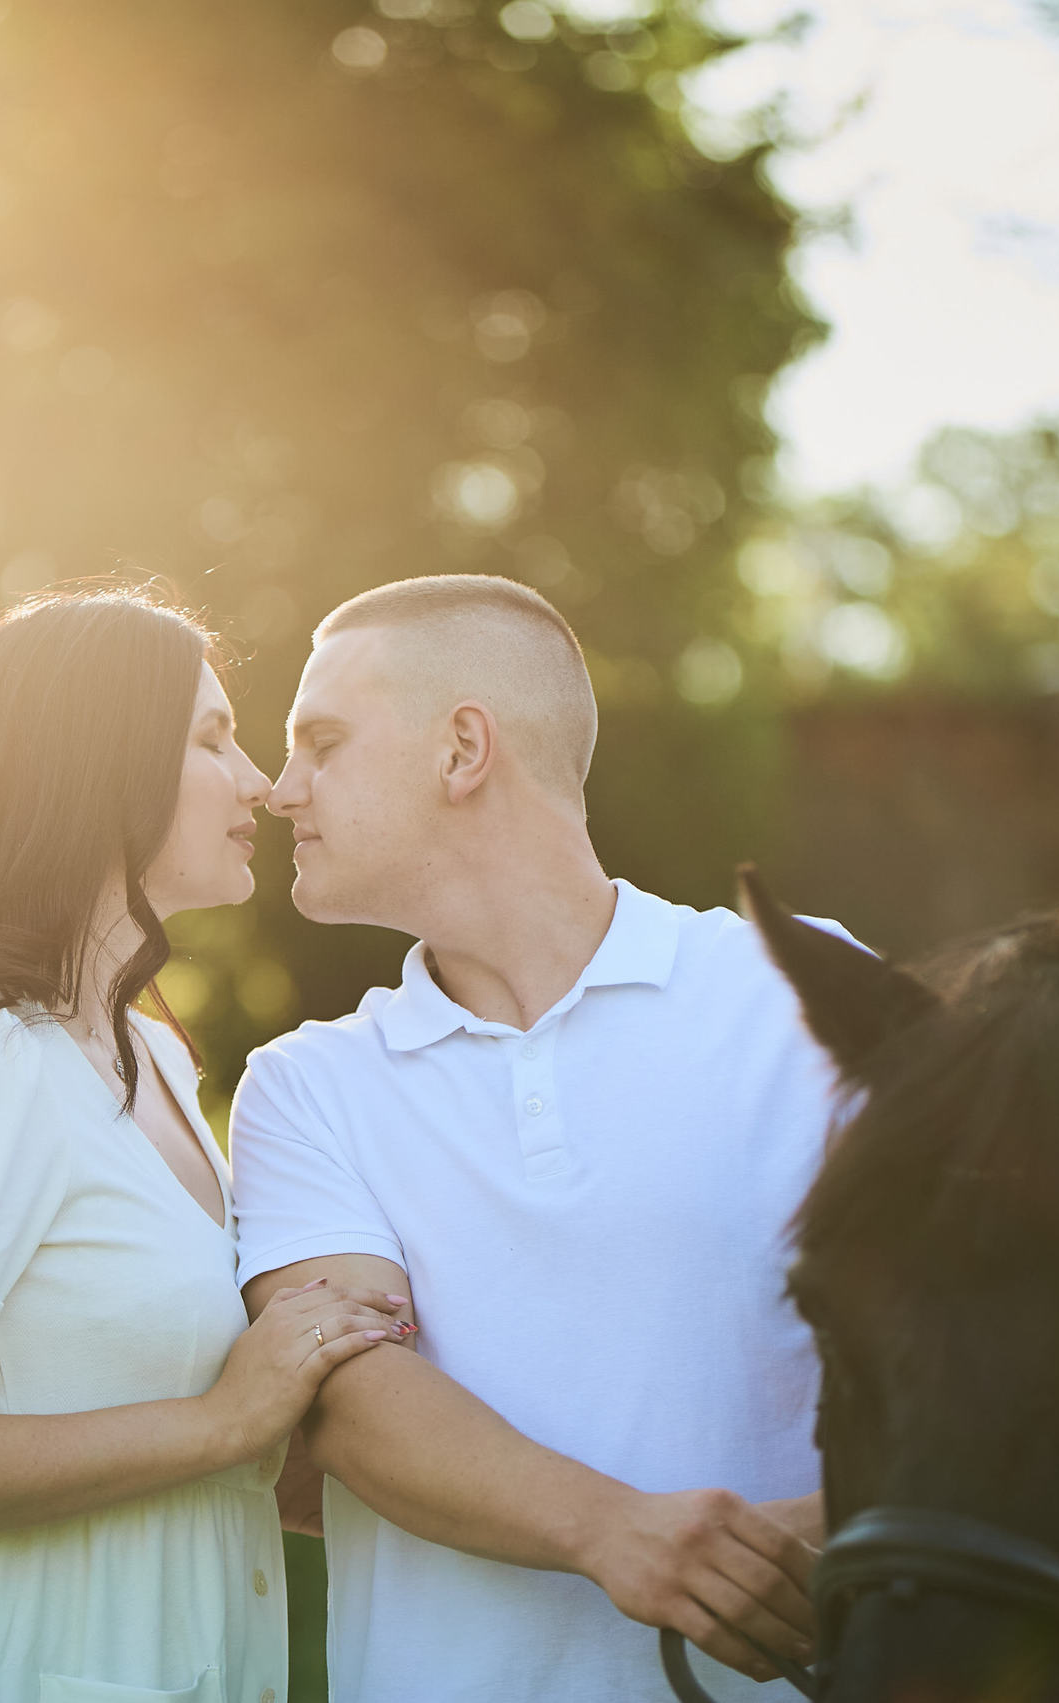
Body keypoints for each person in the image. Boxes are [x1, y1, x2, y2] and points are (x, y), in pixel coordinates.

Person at [0, 586, 410, 1703]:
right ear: (96, 769)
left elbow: (203, 1418)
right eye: (209, 738)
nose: (257, 780)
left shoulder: (151, 1056)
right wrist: (221, 1422)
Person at [231, 574, 855, 1702]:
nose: (279, 790)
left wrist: (858, 1519)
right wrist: (621, 1534)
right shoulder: (304, 1086)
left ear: (461, 748)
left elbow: (993, 1318)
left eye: (321, 741)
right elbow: (346, 1395)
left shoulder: (808, 990)